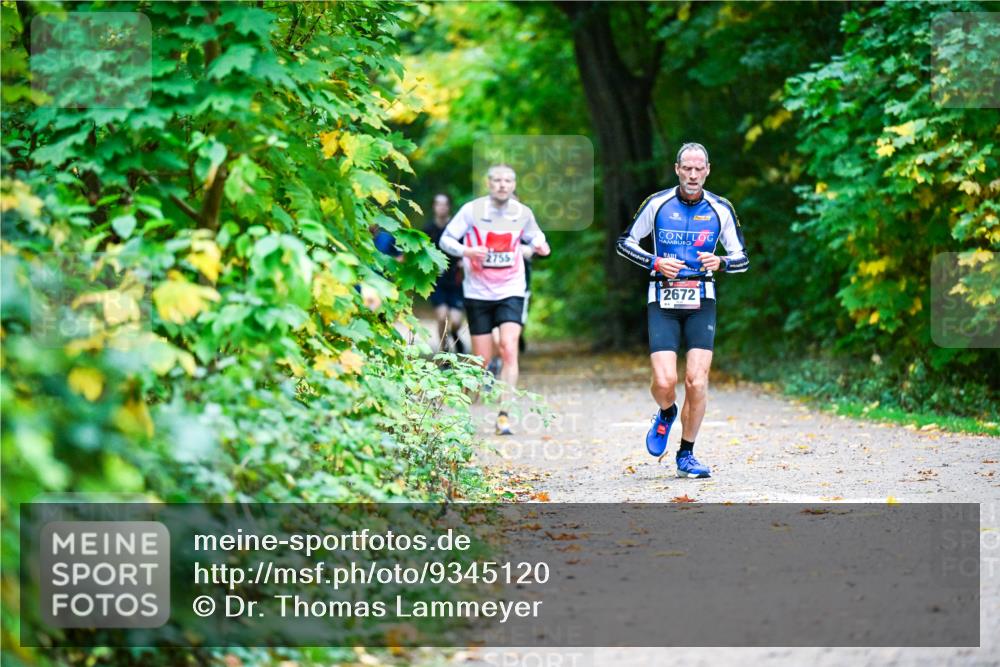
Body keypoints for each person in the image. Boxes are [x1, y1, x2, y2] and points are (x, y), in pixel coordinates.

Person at [616, 142, 749, 478]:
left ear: (707, 170)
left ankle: (686, 454)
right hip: (662, 296)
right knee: (665, 381)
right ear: (677, 169)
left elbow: (742, 258)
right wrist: (655, 261)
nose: (692, 174)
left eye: (698, 169)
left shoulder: (720, 208)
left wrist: (720, 262)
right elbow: (625, 242)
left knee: (696, 381)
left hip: (701, 297)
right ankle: (666, 411)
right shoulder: (657, 203)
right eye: (686, 168)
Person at [439, 164, 551, 435]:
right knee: (482, 361)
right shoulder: (471, 210)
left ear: (513, 185)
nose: (502, 185)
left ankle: (504, 416)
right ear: (489, 184)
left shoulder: (522, 213)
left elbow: (535, 235)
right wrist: (467, 251)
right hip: (478, 292)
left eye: (508, 180)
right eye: (497, 180)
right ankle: (463, 414)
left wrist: (540, 244)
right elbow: (446, 240)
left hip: (511, 288)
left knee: (510, 348)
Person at [423, 193, 465, 353]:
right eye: (438, 204)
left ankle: (454, 333)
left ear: (449, 207)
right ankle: (444, 351)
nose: (441, 207)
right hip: (437, 280)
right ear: (434, 207)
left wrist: (463, 261)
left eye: (445, 204)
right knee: (442, 317)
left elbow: (466, 247)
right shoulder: (428, 230)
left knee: (455, 321)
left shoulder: (457, 229)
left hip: (455, 280)